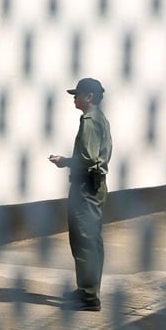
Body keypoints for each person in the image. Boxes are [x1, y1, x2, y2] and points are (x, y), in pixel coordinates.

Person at [48, 77, 112, 312]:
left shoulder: (89, 120)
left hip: (86, 188)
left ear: (90, 97)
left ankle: (88, 296)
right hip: (93, 186)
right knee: (91, 239)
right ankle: (88, 289)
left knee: (84, 239)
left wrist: (63, 161)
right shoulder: (99, 119)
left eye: (78, 94)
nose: (74, 97)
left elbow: (87, 159)